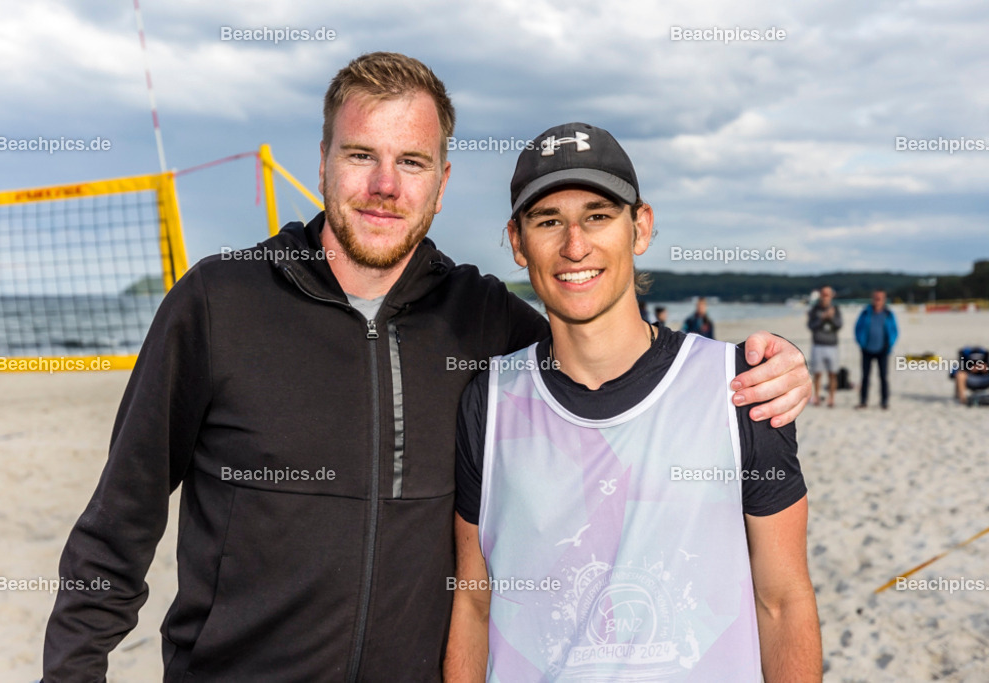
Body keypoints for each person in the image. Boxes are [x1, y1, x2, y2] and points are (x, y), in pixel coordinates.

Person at [42, 55, 812, 681]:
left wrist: (771, 368)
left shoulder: (479, 319)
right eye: (361, 156)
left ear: (442, 183)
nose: (385, 185)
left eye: (411, 161)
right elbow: (119, 524)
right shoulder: (219, 300)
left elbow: (604, 343)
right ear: (323, 163)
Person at [445, 123, 821, 682]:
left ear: (639, 227)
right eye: (549, 221)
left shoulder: (738, 387)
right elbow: (475, 604)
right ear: (518, 243)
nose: (575, 245)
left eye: (598, 215)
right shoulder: (489, 399)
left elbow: (783, 600)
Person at [854, 289, 898, 409]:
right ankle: (863, 401)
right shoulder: (865, 313)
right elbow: (857, 328)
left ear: (884, 299)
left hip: (883, 350)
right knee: (865, 377)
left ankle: (884, 401)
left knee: (883, 376)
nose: (878, 300)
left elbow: (894, 330)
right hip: (866, 349)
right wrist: (861, 343)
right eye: (876, 298)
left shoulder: (888, 313)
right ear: (872, 298)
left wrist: (890, 344)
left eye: (880, 298)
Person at [808, 286, 842, 406]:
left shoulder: (836, 309)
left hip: (832, 345)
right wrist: (821, 318)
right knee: (817, 373)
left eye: (828, 294)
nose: (825, 297)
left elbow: (839, 325)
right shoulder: (814, 309)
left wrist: (831, 317)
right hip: (818, 345)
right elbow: (810, 326)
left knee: (833, 373)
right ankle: (816, 396)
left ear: (831, 296)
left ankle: (831, 398)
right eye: (823, 294)